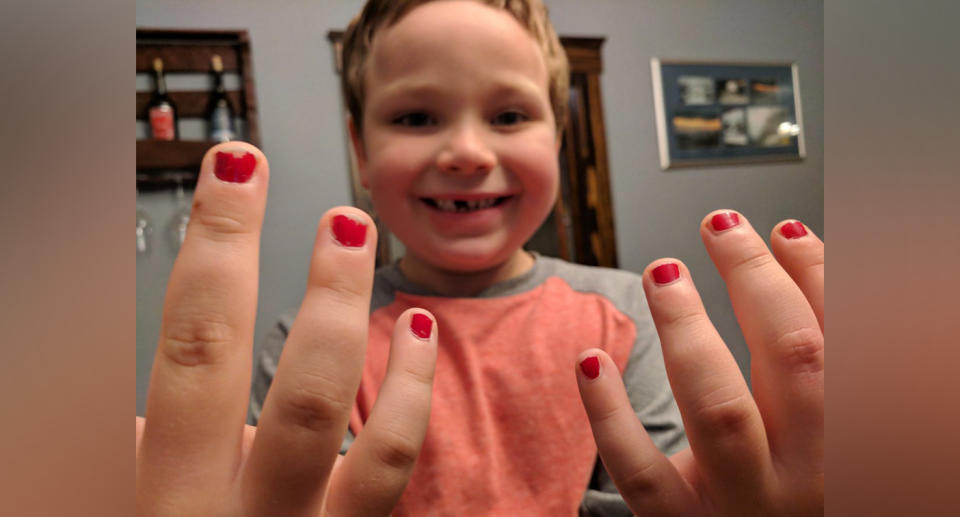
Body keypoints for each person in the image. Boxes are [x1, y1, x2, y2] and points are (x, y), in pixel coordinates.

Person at [135, 1, 824, 516]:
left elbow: (660, 491)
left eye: (508, 116)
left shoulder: (622, 311)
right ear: (361, 150)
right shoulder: (311, 347)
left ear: (558, 137)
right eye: (415, 118)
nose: (466, 151)